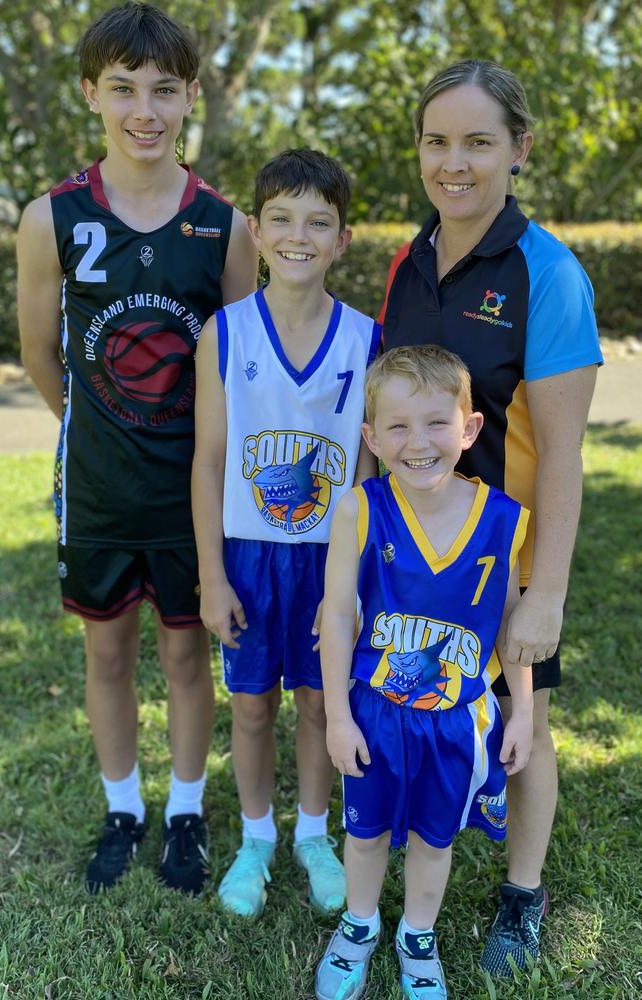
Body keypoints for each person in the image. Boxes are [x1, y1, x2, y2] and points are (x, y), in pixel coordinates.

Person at [16, 2, 258, 895]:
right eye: (123, 89)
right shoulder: (51, 218)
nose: (143, 111)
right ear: (91, 93)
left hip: (193, 489)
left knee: (189, 655)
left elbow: (241, 359)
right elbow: (41, 352)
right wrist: (96, 424)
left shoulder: (225, 227)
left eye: (163, 89)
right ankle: (124, 806)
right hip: (99, 486)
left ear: (192, 95)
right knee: (107, 653)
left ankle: (187, 812)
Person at [379, 60, 602, 974]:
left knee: (523, 732)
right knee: (418, 704)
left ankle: (522, 895)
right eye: (438, 141)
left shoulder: (547, 274)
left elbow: (562, 458)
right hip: (410, 557)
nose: (454, 162)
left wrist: (542, 593)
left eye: (477, 141)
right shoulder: (407, 260)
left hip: (500, 565)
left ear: (519, 149)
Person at [192, 148, 381, 918]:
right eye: (282, 219)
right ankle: (255, 838)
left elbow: (369, 480)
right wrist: (211, 575)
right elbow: (207, 463)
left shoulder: (365, 339)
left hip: (330, 560)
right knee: (251, 705)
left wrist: (358, 581)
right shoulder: (226, 334)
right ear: (257, 231)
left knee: (316, 699)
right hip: (246, 554)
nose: (299, 235)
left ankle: (312, 833)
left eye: (319, 222)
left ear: (341, 239)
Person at [315, 345, 533, 1000]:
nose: (419, 443)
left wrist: (521, 710)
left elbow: (510, 625)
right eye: (399, 426)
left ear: (469, 430)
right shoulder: (359, 508)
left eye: (437, 423)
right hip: (376, 710)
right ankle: (358, 925)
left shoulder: (503, 520)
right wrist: (336, 715)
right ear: (372, 437)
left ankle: (417, 933)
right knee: (366, 829)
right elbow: (339, 618)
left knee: (436, 839)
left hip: (456, 721)